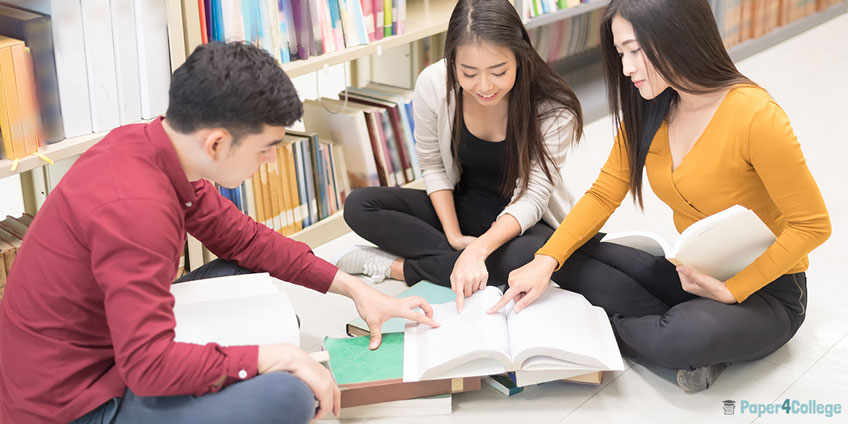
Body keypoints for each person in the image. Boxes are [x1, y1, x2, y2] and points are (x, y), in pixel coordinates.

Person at [0, 42, 439, 424]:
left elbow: (244, 239)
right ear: (216, 143)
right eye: (266, 148)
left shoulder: (150, 144)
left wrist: (355, 289)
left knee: (243, 274)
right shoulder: (139, 211)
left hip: (107, 343)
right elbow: (147, 366)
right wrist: (271, 357)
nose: (269, 161)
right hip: (75, 403)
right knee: (289, 394)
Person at [487, 0, 831, 392]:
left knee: (685, 336)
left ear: (676, 34)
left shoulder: (756, 116)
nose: (627, 67)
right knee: (532, 253)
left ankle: (604, 330)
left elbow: (813, 225)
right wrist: (546, 260)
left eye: (635, 50)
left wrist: (732, 289)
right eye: (620, 53)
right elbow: (603, 193)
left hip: (766, 293)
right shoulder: (650, 107)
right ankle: (664, 332)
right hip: (692, 275)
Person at [336, 0, 583, 311]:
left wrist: (480, 248)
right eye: (469, 73)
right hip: (460, 207)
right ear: (452, 62)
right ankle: (463, 262)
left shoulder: (553, 108)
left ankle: (397, 268)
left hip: (517, 222)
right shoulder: (433, 83)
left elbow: (533, 198)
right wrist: (454, 236)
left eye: (499, 71)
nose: (485, 86)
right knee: (359, 205)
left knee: (533, 256)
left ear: (520, 57)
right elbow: (433, 164)